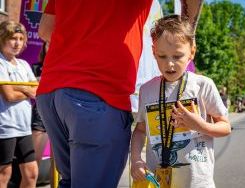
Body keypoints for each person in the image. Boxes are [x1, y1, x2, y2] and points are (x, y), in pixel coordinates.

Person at [36, 0, 204, 187]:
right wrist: (187, 34)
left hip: (51, 91)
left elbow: (45, 29)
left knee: (70, 181)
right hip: (98, 92)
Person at [130, 15, 231, 188]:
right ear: (154, 52)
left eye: (177, 56)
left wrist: (201, 125)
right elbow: (140, 131)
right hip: (157, 181)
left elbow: (225, 127)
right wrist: (136, 160)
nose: (169, 64)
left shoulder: (203, 85)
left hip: (197, 183)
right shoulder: (147, 90)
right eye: (162, 56)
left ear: (191, 52)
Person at [0, 21, 38, 188]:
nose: (17, 43)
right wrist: (26, 88)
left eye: (21, 39)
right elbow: (8, 96)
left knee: (31, 174)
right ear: (2, 39)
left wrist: (18, 87)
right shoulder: (0, 63)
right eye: (13, 38)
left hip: (24, 127)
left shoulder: (24, 65)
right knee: (4, 174)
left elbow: (36, 92)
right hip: (4, 127)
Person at [31, 42, 49, 162]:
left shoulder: (68, 67)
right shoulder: (36, 68)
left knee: (63, 162)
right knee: (34, 159)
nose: (51, 46)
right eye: (48, 44)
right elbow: (33, 92)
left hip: (64, 112)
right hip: (41, 113)